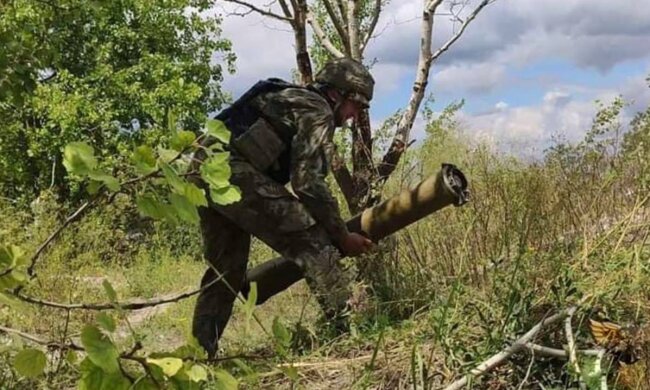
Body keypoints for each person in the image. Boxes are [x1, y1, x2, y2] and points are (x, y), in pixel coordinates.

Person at [190, 58, 376, 358]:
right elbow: (307, 183)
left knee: (225, 271)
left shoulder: (291, 97)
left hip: (203, 170)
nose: (355, 116)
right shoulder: (318, 110)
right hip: (232, 172)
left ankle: (198, 358)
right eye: (358, 106)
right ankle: (352, 337)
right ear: (338, 95)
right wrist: (342, 236)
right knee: (314, 239)